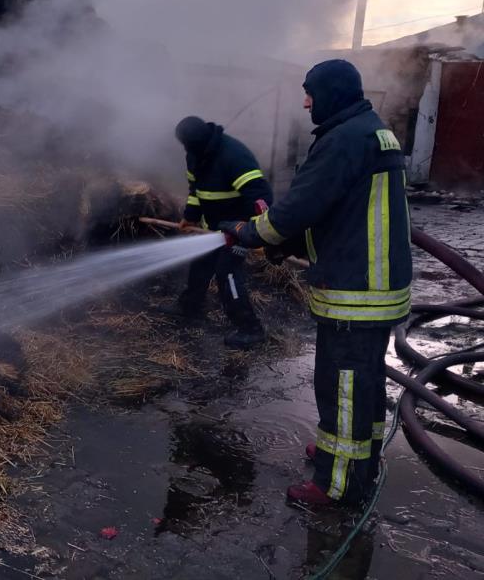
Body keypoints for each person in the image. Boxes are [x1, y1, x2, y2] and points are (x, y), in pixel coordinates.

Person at [220, 59, 412, 507]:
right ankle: (354, 458)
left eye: (310, 93)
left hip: (356, 289)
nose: (305, 102)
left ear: (332, 93)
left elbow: (300, 207)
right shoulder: (370, 130)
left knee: (342, 385)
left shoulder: (343, 140)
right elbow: (339, 210)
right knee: (362, 383)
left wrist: (251, 234)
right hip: (375, 284)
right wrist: (289, 245)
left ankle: (338, 484)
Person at [172, 116, 273, 349]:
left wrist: (255, 231)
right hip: (214, 227)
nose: (187, 150)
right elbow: (196, 190)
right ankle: (190, 306)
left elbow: (260, 196)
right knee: (200, 261)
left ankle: (250, 328)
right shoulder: (195, 154)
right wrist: (191, 216)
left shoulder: (233, 156)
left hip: (239, 228)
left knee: (226, 272)